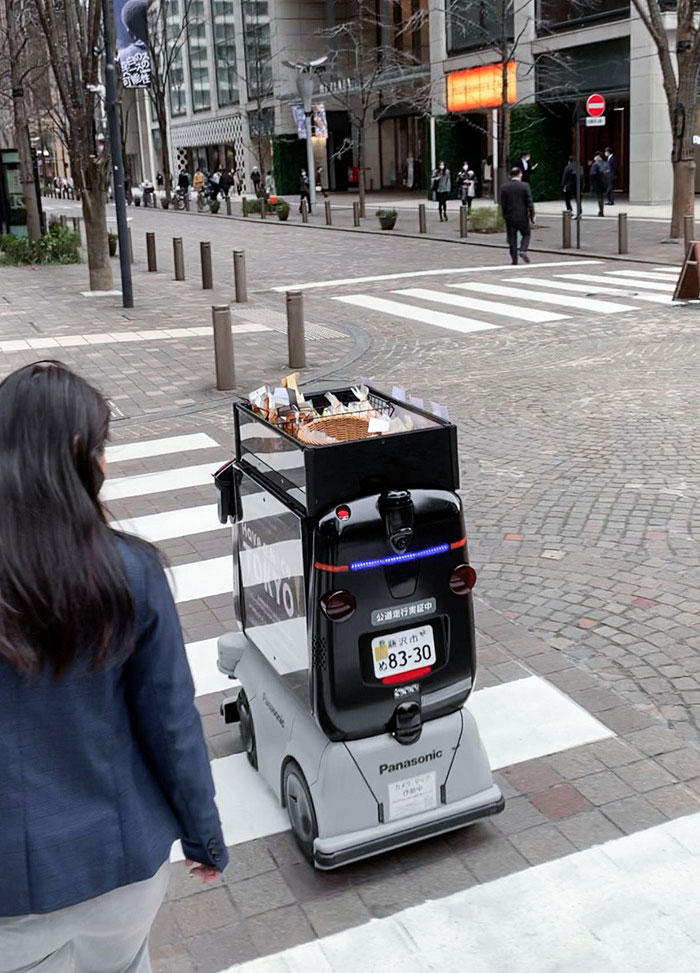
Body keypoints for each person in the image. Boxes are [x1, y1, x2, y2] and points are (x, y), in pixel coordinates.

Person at [0, 362, 227, 972]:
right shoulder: (130, 571)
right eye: (102, 448)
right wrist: (203, 834)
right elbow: (171, 723)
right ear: (79, 450)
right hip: (122, 863)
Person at [500, 166, 535, 265]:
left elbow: (503, 203)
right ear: (520, 174)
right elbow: (529, 202)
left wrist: (504, 216)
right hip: (522, 216)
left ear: (510, 175)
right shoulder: (525, 186)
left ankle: (514, 260)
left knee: (512, 238)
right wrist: (532, 215)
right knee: (526, 234)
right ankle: (523, 249)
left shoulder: (504, 187)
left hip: (510, 216)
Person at [590, 151, 609, 217]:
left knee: (599, 197)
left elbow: (592, 174)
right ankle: (601, 210)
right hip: (604, 183)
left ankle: (601, 211)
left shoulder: (595, 164)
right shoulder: (605, 163)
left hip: (597, 183)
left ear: (598, 156)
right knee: (601, 197)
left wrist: (592, 184)